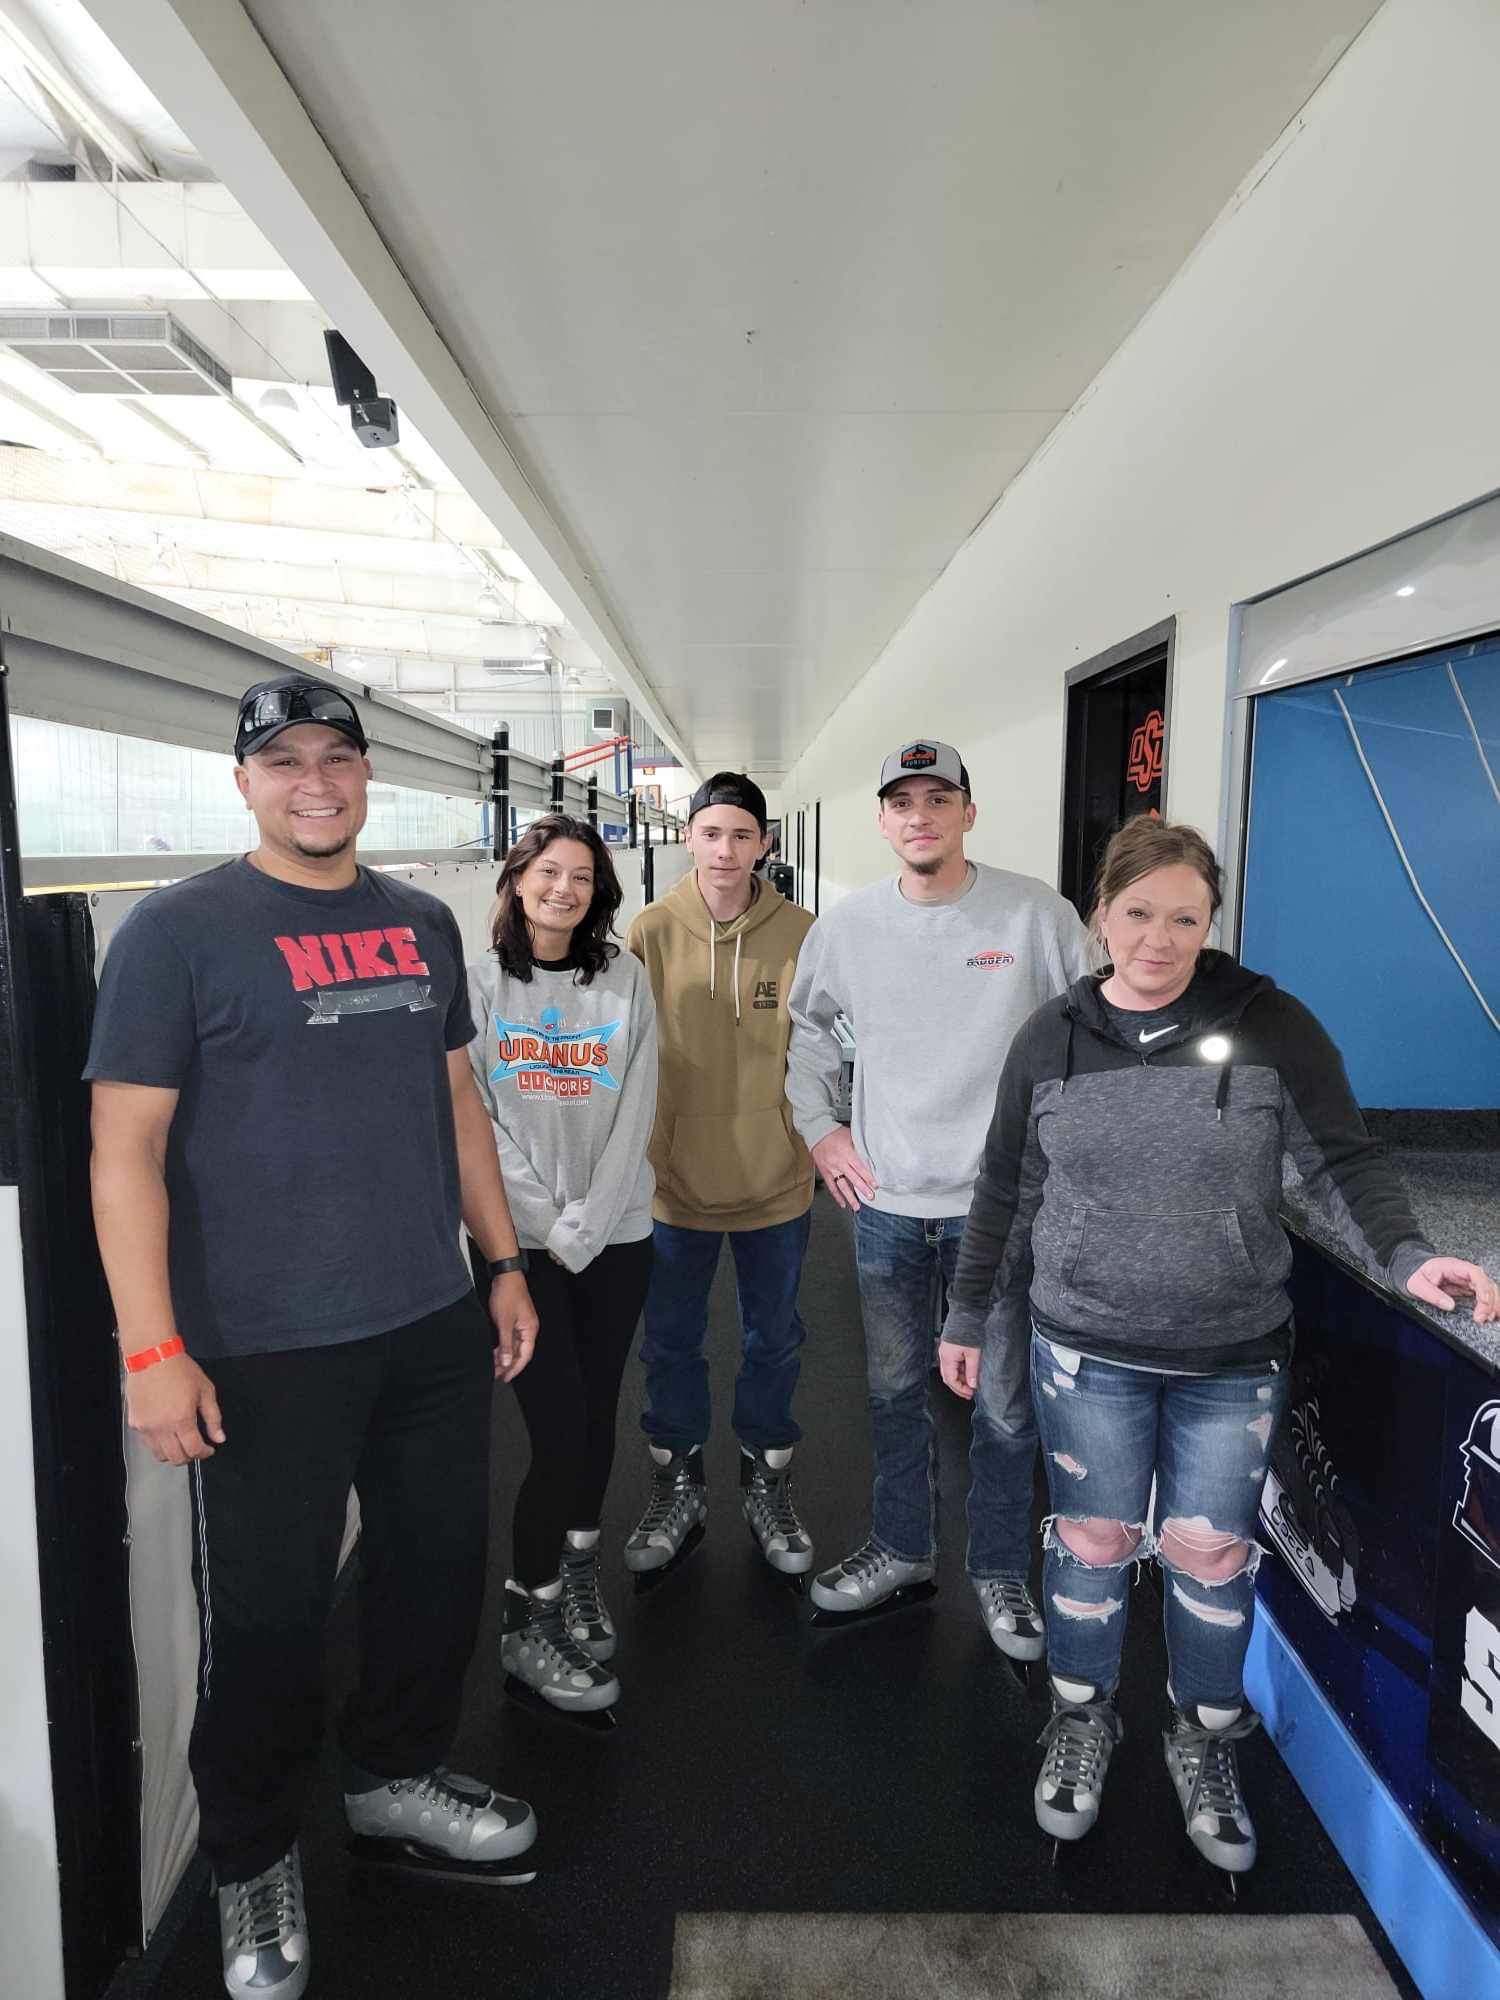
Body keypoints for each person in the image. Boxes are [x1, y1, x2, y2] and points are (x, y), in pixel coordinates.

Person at [86, 674, 541, 2000]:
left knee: (434, 1568)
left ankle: (395, 1776)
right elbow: (124, 1151)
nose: (315, 782)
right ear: (244, 782)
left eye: (336, 756)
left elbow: (457, 1101)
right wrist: (150, 1347)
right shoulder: (177, 932)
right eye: (283, 761)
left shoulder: (419, 921)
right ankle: (251, 1853)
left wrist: (501, 1261)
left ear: (366, 773)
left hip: (428, 1320)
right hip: (263, 1347)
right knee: (273, 1619)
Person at [940, 815, 1498, 1873]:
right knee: (1093, 1542)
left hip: (1230, 1356)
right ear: (1101, 915)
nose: (1159, 938)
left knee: (1210, 1557)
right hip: (1086, 1347)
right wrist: (969, 1313)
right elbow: (1007, 1187)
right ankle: (1081, 1716)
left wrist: (1409, 1257)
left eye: (1185, 918)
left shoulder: (1270, 1024)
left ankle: (1202, 1736)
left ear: (1211, 923)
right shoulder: (1051, 1037)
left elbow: (1340, 1160)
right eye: (1138, 913)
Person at [786, 740, 1092, 1638]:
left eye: (938, 798)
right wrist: (820, 1127)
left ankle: (998, 1572)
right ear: (882, 821)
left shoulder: (1035, 915)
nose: (920, 816)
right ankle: (900, 1548)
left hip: (1000, 1212)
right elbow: (807, 1031)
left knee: (1002, 1406)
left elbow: (1096, 1025)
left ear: (968, 812)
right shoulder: (847, 927)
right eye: (902, 802)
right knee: (892, 1392)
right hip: (885, 1205)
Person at [466, 815, 657, 1717]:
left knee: (596, 1410)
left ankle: (578, 1566)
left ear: (599, 892)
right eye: (548, 872)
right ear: (516, 880)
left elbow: (638, 1108)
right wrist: (549, 1226)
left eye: (582, 877)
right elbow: (476, 1126)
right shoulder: (478, 984)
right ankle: (529, 1607)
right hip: (520, 1250)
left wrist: (591, 1223)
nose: (564, 890)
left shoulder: (625, 979)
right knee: (556, 1432)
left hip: (617, 1238)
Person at [624, 771, 818, 1581]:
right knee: (671, 1342)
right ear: (690, 840)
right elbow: (623, 1051)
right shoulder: (649, 931)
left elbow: (826, 1045)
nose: (727, 850)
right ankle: (679, 1485)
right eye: (712, 833)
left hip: (778, 1180)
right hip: (673, 1185)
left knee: (775, 1340)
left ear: (764, 844)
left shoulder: (803, 932)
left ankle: (767, 1485)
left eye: (742, 835)